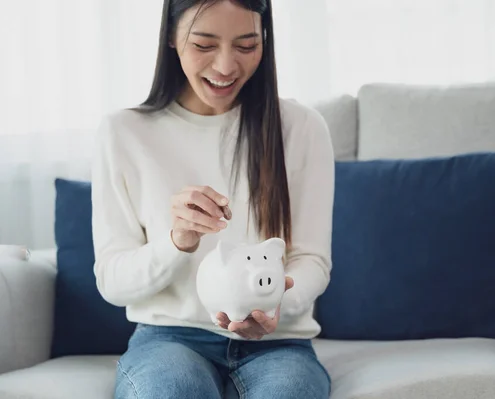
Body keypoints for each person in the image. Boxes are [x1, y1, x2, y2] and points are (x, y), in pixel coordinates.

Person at [90, 0, 334, 398]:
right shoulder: (124, 133)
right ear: (171, 36)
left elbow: (312, 261)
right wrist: (177, 242)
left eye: (246, 45)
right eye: (204, 45)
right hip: (170, 339)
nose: (225, 67)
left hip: (278, 344)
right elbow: (113, 281)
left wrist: (272, 303)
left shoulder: (302, 128)